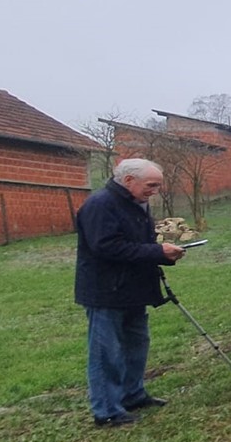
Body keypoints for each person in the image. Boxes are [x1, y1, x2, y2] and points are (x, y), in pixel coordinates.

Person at [74, 158, 185, 427]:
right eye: (151, 185)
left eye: (158, 185)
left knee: (137, 345)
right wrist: (156, 252)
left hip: (134, 290)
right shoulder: (100, 204)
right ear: (128, 180)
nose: (155, 191)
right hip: (106, 291)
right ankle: (106, 410)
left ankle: (132, 394)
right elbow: (107, 247)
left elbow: (139, 244)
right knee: (106, 353)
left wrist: (162, 255)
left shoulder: (136, 204)